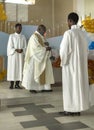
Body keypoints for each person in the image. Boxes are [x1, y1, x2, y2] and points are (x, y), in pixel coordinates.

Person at [59, 12, 89, 116]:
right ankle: (78, 108)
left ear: (70, 21)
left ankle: (70, 109)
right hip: (80, 65)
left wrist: (63, 62)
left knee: (70, 86)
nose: (67, 23)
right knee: (78, 85)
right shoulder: (82, 33)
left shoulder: (69, 33)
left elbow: (64, 50)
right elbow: (86, 50)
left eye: (68, 21)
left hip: (70, 65)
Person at [22, 24, 54, 93]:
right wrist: (45, 48)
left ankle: (45, 87)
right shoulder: (34, 37)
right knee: (33, 73)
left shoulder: (41, 37)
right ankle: (32, 88)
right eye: (44, 30)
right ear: (39, 29)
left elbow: (43, 45)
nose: (45, 32)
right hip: (34, 58)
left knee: (46, 69)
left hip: (41, 57)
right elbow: (35, 49)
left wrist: (47, 45)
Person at [7, 23, 27, 89]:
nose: (20, 29)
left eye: (21, 28)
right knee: (13, 69)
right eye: (19, 28)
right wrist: (15, 50)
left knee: (19, 69)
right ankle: (11, 84)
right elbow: (9, 47)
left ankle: (17, 84)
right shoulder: (11, 36)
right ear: (15, 28)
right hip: (13, 56)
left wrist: (23, 50)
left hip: (20, 56)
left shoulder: (23, 37)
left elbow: (25, 47)